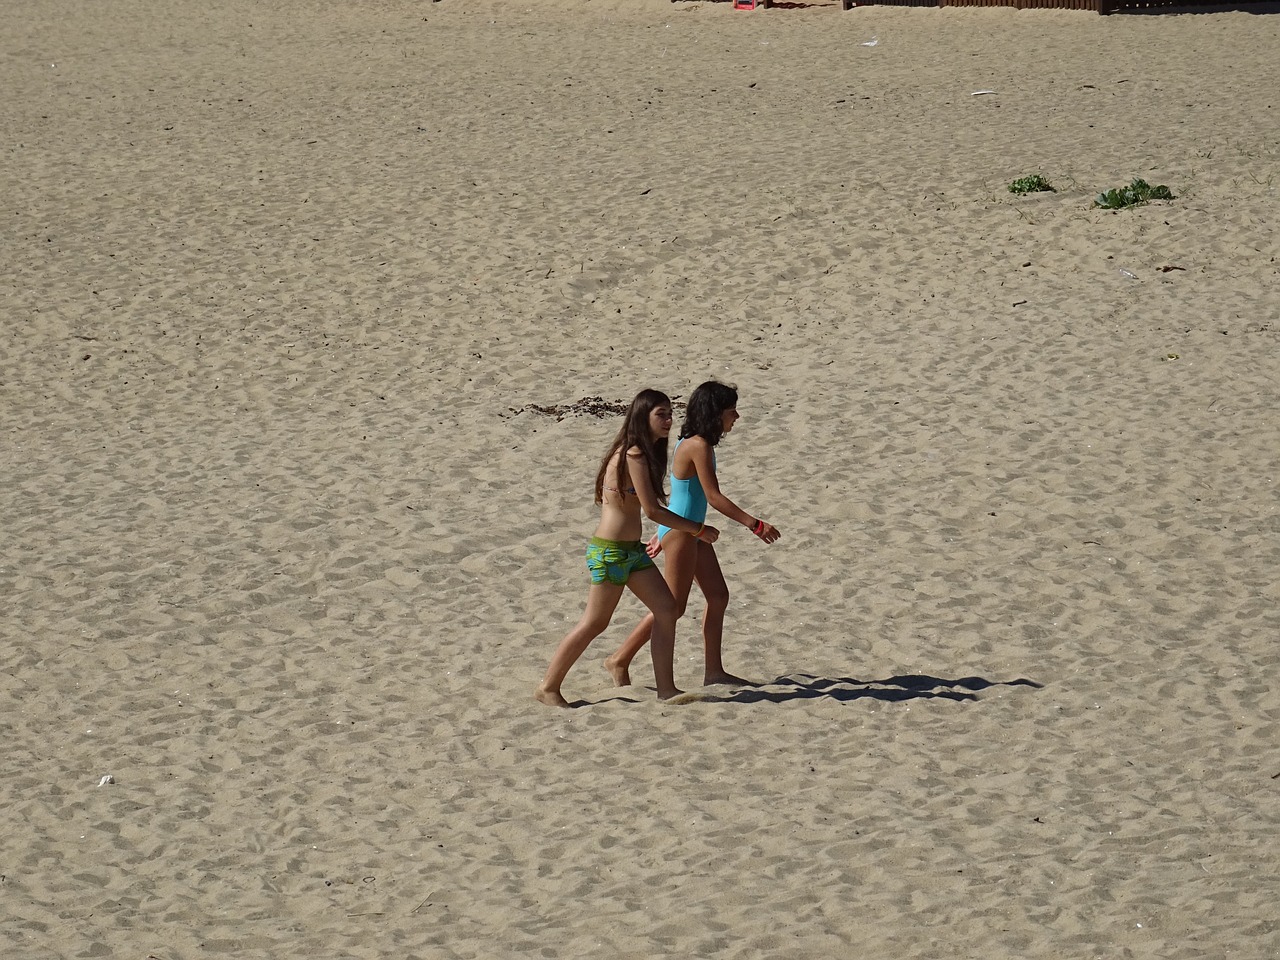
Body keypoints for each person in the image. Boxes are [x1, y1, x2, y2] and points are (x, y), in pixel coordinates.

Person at [536, 389, 720, 707]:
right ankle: (549, 687)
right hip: (610, 552)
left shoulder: (643, 453)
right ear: (642, 417)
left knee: (667, 610)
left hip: (631, 551)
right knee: (595, 622)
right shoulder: (632, 454)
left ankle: (666, 690)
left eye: (669, 413)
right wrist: (698, 529)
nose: (668, 420)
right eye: (660, 414)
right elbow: (652, 510)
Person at [605, 380, 780, 688]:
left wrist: (664, 530)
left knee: (718, 596)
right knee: (672, 606)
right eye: (731, 411)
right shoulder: (696, 444)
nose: (736, 417)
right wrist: (755, 524)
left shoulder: (700, 443)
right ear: (716, 412)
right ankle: (619, 658)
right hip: (685, 532)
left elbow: (684, 494)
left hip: (689, 530)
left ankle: (714, 671)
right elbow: (713, 496)